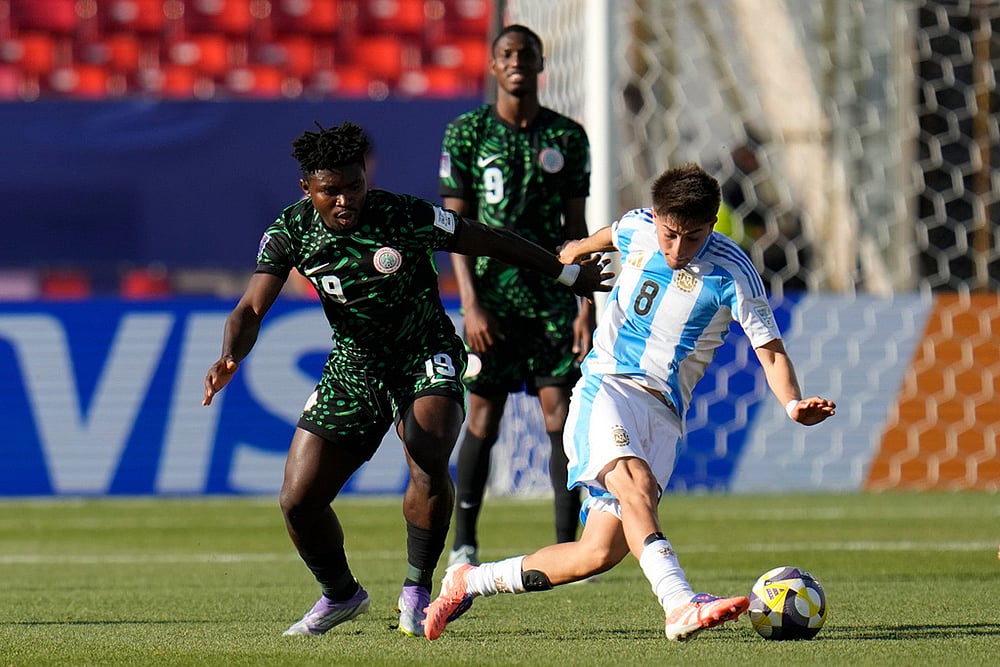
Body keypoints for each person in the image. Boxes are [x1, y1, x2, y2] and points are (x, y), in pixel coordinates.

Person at [201, 121, 609, 638]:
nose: (346, 200)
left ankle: (417, 589)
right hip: (354, 369)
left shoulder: (403, 215)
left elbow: (487, 239)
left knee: (426, 448)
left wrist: (567, 272)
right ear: (307, 189)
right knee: (298, 500)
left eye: (355, 186)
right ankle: (341, 594)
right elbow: (250, 308)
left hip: (424, 354)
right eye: (331, 191)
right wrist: (229, 356)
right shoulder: (291, 232)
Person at [422, 163, 837, 642]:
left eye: (693, 237)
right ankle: (679, 603)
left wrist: (791, 404)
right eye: (669, 235)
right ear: (656, 216)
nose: (677, 249)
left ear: (712, 224)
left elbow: (770, 350)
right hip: (607, 387)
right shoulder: (638, 226)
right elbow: (606, 235)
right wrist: (574, 253)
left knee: (595, 554)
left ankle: (469, 580)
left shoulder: (735, 271)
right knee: (634, 484)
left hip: (664, 414)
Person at [439, 24, 594, 566]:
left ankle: (567, 547)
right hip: (492, 300)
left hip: (552, 297)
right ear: (493, 65)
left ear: (541, 63)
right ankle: (463, 545)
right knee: (482, 417)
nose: (516, 62)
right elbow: (454, 228)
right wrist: (471, 304)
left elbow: (576, 228)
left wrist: (585, 305)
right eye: (506, 53)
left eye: (526, 54)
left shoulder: (568, 137)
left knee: (561, 415)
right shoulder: (467, 133)